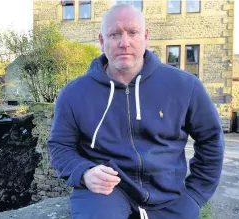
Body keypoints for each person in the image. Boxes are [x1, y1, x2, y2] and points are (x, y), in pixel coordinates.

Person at [47, 4, 225, 219]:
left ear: (146, 36)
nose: (124, 43)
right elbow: (60, 145)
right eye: (114, 35)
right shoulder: (74, 93)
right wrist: (84, 172)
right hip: (105, 193)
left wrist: (196, 194)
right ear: (102, 41)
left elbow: (211, 138)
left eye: (132, 32)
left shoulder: (185, 86)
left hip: (171, 196)